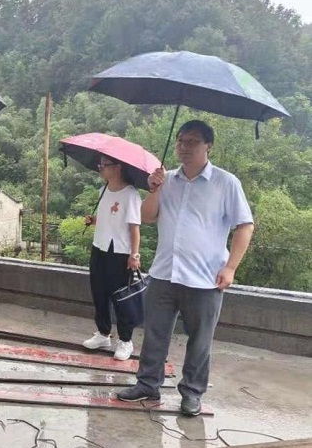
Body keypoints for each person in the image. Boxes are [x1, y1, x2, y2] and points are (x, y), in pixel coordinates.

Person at [117, 120, 254, 416]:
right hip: (164, 273)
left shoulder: (226, 182)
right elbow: (146, 217)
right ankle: (147, 384)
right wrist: (154, 190)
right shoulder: (165, 179)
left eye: (192, 141)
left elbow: (245, 225)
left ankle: (192, 392)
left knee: (200, 340)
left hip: (205, 278)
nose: (184, 147)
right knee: (155, 333)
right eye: (181, 141)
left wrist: (231, 267)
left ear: (208, 146)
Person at [81, 154, 142, 361]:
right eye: (100, 165)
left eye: (105, 165)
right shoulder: (103, 190)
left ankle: (125, 340)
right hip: (100, 246)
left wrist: (134, 254)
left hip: (120, 252)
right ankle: (103, 333)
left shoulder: (131, 194)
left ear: (118, 167)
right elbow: (107, 219)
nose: (101, 168)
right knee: (99, 292)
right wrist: (93, 220)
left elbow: (134, 228)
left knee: (121, 297)